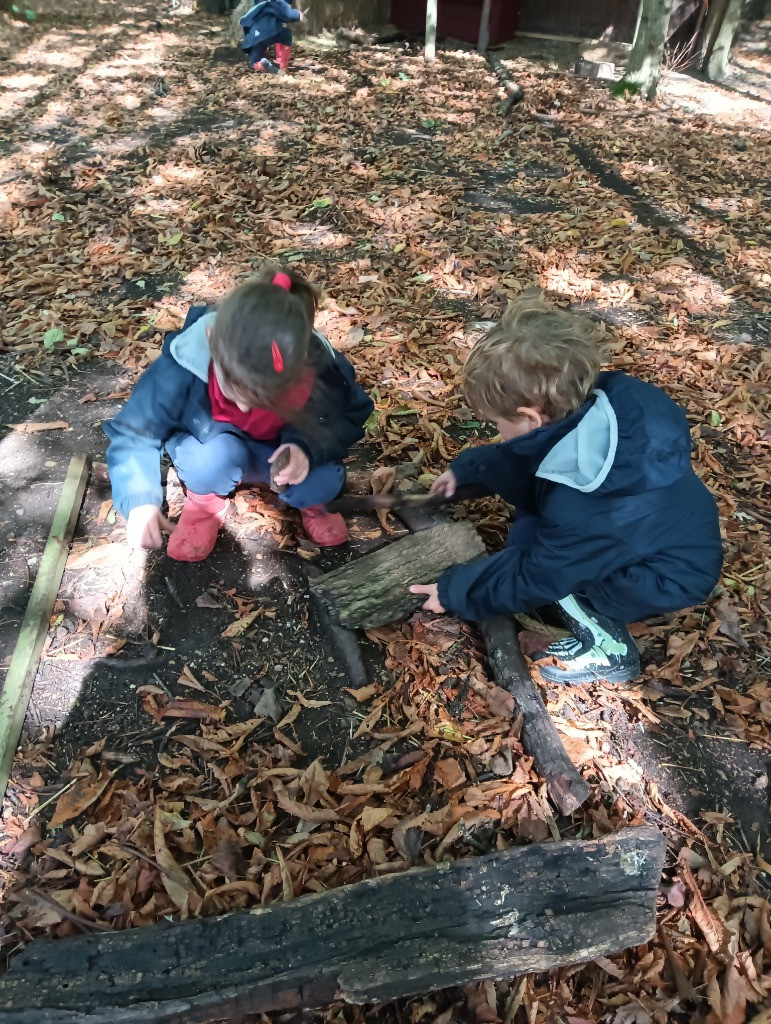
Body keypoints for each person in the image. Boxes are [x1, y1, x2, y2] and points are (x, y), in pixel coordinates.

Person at [409, 294, 723, 686]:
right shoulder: (595, 410)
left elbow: (540, 574)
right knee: (532, 538)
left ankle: (611, 651)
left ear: (527, 417)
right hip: (661, 543)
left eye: (495, 423)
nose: (496, 431)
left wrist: (459, 590)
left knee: (553, 568)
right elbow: (527, 454)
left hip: (664, 576)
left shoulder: (586, 505)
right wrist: (469, 472)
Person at [105, 268, 373, 562]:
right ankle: (205, 505)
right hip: (214, 448)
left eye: (266, 396)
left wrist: (306, 448)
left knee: (321, 482)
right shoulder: (183, 365)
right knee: (206, 463)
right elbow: (135, 431)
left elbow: (349, 414)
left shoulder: (320, 365)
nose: (245, 407)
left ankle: (312, 504)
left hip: (278, 453)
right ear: (212, 340)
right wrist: (139, 501)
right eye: (235, 386)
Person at [239, 0, 302, 73]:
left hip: (254, 38)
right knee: (287, 34)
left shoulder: (257, 6)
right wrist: (298, 14)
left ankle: (261, 64)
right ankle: (282, 66)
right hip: (267, 34)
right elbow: (288, 15)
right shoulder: (276, 2)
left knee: (253, 62)